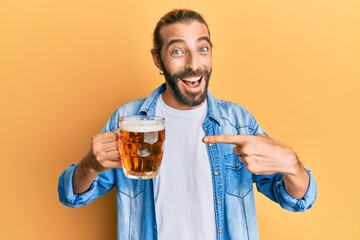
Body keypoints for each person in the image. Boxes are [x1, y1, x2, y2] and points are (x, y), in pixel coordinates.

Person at [58, 9, 317, 240]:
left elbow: (297, 201)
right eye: (178, 51)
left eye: (202, 49)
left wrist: (291, 165)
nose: (194, 64)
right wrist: (90, 164)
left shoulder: (239, 122)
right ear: (158, 60)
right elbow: (73, 195)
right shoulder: (128, 120)